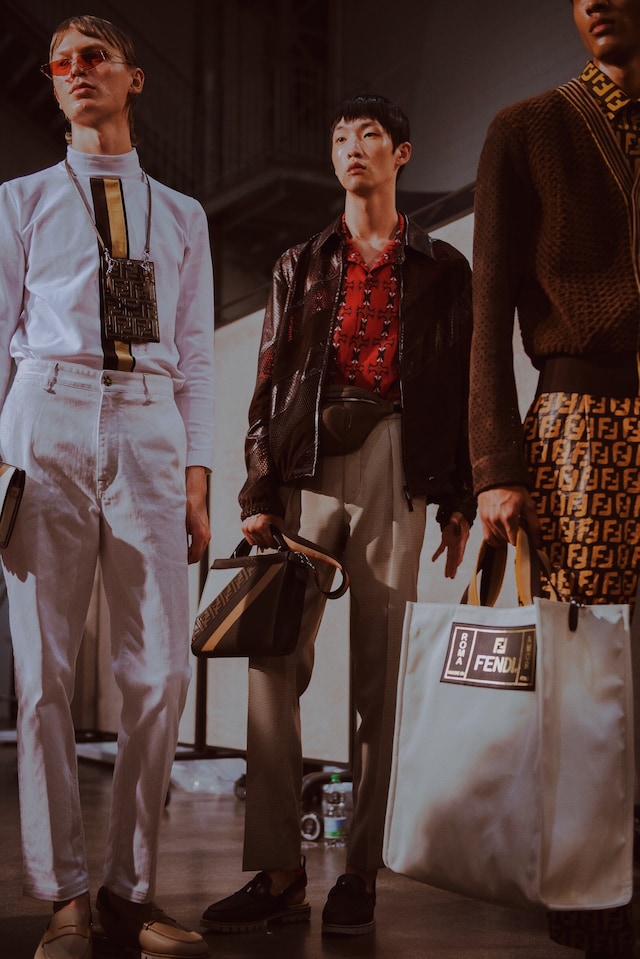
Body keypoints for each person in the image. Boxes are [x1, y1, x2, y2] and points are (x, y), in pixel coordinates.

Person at [201, 94, 475, 937]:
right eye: (340, 138)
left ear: (402, 154)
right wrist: (258, 492)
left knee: (382, 677)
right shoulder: (300, 262)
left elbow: (462, 381)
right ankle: (279, 869)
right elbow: (269, 381)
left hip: (397, 456)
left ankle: (360, 872)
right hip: (306, 464)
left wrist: (461, 495)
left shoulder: (443, 268)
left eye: (370, 137)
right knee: (272, 660)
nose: (352, 148)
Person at [0, 15, 214, 959]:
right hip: (44, 411)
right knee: (43, 675)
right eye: (61, 62)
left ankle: (131, 890)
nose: (75, 70)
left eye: (94, 56)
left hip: (150, 420)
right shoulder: (18, 202)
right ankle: (65, 898)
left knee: (162, 670)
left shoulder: (183, 214)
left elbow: (197, 354)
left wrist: (198, 474)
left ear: (134, 78)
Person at [469, 1, 640, 957]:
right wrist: (497, 464)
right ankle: (585, 886)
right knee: (584, 665)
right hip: (580, 420)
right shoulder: (527, 128)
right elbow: (489, 302)